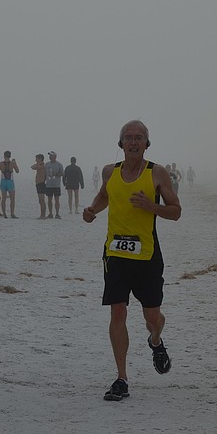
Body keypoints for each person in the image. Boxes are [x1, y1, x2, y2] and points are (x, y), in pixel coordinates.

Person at [82, 120, 182, 401]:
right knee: (117, 313)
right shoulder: (109, 172)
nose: (133, 142)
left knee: (152, 318)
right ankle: (121, 378)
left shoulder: (157, 173)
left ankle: (155, 341)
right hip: (115, 254)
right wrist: (92, 211)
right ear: (121, 143)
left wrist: (151, 207)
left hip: (147, 255)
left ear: (147, 143)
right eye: (128, 137)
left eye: (139, 137)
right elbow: (104, 196)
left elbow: (176, 211)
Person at [0, 151, 19, 218]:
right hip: (10, 181)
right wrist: (15, 163)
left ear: (4, 156)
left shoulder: (0, 163)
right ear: (10, 156)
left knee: (3, 198)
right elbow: (17, 171)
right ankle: (12, 213)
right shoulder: (12, 163)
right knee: (12, 199)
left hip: (3, 181)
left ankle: (4, 213)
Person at [44, 151, 64, 219]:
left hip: (56, 185)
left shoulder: (59, 164)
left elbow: (63, 174)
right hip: (48, 185)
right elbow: (44, 174)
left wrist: (57, 174)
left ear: (55, 156)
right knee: (49, 199)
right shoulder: (46, 164)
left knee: (57, 200)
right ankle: (50, 213)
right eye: (49, 155)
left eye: (51, 155)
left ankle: (57, 214)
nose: (50, 157)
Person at [30, 154, 47, 219]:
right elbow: (32, 166)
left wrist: (39, 163)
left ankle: (43, 215)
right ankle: (42, 215)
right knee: (40, 201)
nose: (35, 160)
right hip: (38, 184)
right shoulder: (40, 165)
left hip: (41, 184)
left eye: (36, 159)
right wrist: (38, 163)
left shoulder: (42, 165)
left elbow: (33, 167)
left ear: (40, 159)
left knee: (42, 200)